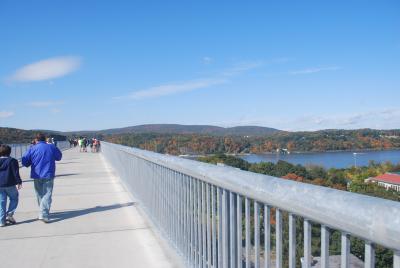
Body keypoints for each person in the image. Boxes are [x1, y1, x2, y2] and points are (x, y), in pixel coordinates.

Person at [22, 133, 62, 223]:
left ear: (36, 139)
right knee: (47, 194)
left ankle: (42, 212)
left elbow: (25, 162)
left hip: (36, 174)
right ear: (45, 139)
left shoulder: (32, 148)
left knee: (39, 194)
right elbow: (59, 157)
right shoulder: (51, 147)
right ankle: (44, 213)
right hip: (48, 173)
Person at [0, 145, 22, 227]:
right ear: (9, 152)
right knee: (14, 198)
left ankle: (1, 221)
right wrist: (19, 182)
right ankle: (10, 214)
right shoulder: (12, 161)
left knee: (1, 202)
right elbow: (15, 173)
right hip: (9, 184)